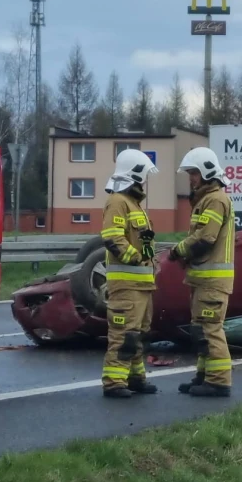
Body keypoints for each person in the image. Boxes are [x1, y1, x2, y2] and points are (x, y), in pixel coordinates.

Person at [170, 147, 236, 397]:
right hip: (202, 279)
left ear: (208, 172)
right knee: (200, 331)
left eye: (194, 173)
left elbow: (205, 238)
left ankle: (218, 381)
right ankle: (204, 376)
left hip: (212, 282)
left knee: (210, 330)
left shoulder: (216, 199)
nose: (191, 178)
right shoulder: (207, 199)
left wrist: (179, 250)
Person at [99, 149, 160, 398]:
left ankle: (135, 378)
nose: (145, 180)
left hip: (142, 284)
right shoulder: (117, 201)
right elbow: (112, 237)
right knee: (123, 335)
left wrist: (149, 260)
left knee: (136, 335)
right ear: (133, 173)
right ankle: (114, 382)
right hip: (126, 284)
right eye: (143, 174)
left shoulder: (134, 204)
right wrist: (136, 258)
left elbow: (143, 241)